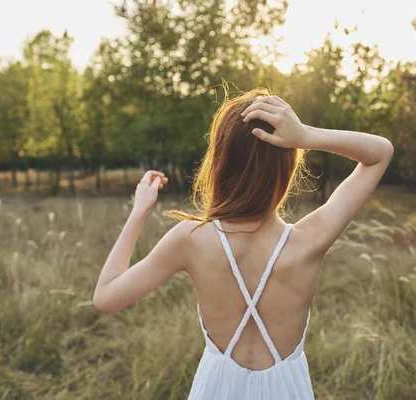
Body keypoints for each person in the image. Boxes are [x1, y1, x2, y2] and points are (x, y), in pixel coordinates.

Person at [92, 88, 394, 399]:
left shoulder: (191, 239)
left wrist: (138, 211)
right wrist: (304, 135)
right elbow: (380, 152)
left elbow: (105, 297)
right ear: (287, 166)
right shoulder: (308, 241)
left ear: (220, 162)